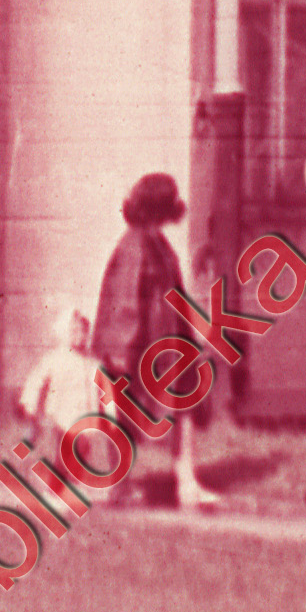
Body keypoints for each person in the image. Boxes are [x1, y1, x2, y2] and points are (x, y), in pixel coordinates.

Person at [92, 171, 218, 509]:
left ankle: (187, 483)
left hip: (166, 344)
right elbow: (125, 303)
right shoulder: (135, 246)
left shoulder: (156, 242)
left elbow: (173, 295)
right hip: (141, 346)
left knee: (182, 407)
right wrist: (121, 357)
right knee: (126, 414)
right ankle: (121, 488)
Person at [18, 309, 101, 433]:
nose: (78, 335)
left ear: (87, 333)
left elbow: (103, 392)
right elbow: (35, 381)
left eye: (82, 331)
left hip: (84, 423)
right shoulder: (55, 358)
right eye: (74, 331)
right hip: (58, 420)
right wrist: (30, 407)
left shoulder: (92, 362)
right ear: (68, 332)